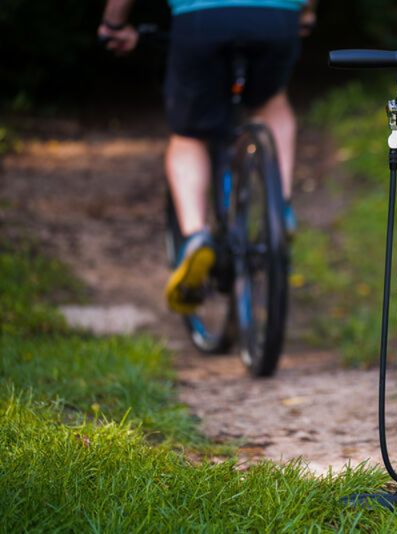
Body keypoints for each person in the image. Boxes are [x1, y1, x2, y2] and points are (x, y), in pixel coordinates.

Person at [98, 0, 314, 314]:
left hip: (201, 17)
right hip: (275, 16)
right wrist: (306, 12)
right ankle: (280, 209)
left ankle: (197, 237)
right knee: (272, 104)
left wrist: (114, 24)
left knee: (189, 136)